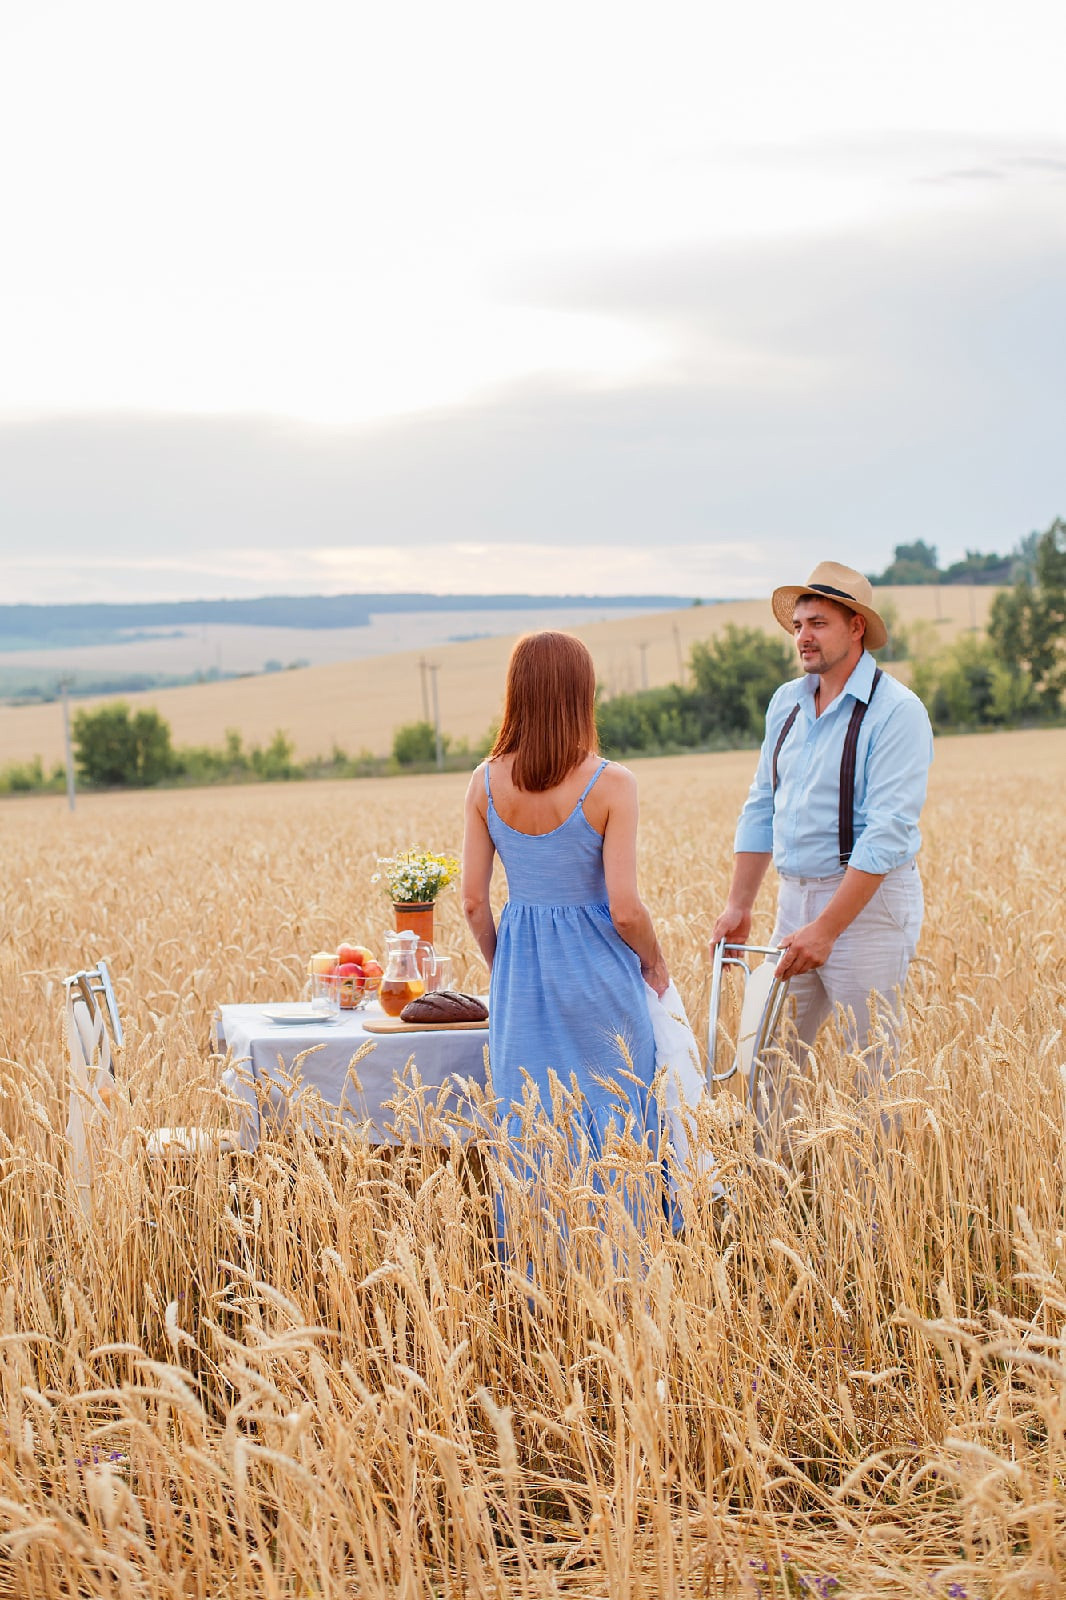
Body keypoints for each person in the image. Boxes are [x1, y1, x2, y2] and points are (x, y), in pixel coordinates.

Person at [710, 561, 934, 1136]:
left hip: (867, 908)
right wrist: (739, 905)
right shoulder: (786, 702)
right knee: (767, 1061)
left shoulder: (896, 712)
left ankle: (878, 1216)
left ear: (856, 627)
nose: (803, 637)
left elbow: (887, 834)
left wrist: (828, 929)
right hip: (794, 899)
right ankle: (772, 1199)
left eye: (819, 623)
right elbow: (763, 803)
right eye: (799, 625)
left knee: (874, 1070)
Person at [462, 631, 669, 1194]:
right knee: (617, 1122)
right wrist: (654, 960)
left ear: (517, 693)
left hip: (522, 979)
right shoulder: (612, 784)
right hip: (599, 976)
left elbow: (473, 902)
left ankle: (537, 1266)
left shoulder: (484, 782)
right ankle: (625, 1266)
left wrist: (504, 965)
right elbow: (625, 910)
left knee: (531, 1128)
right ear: (583, 695)